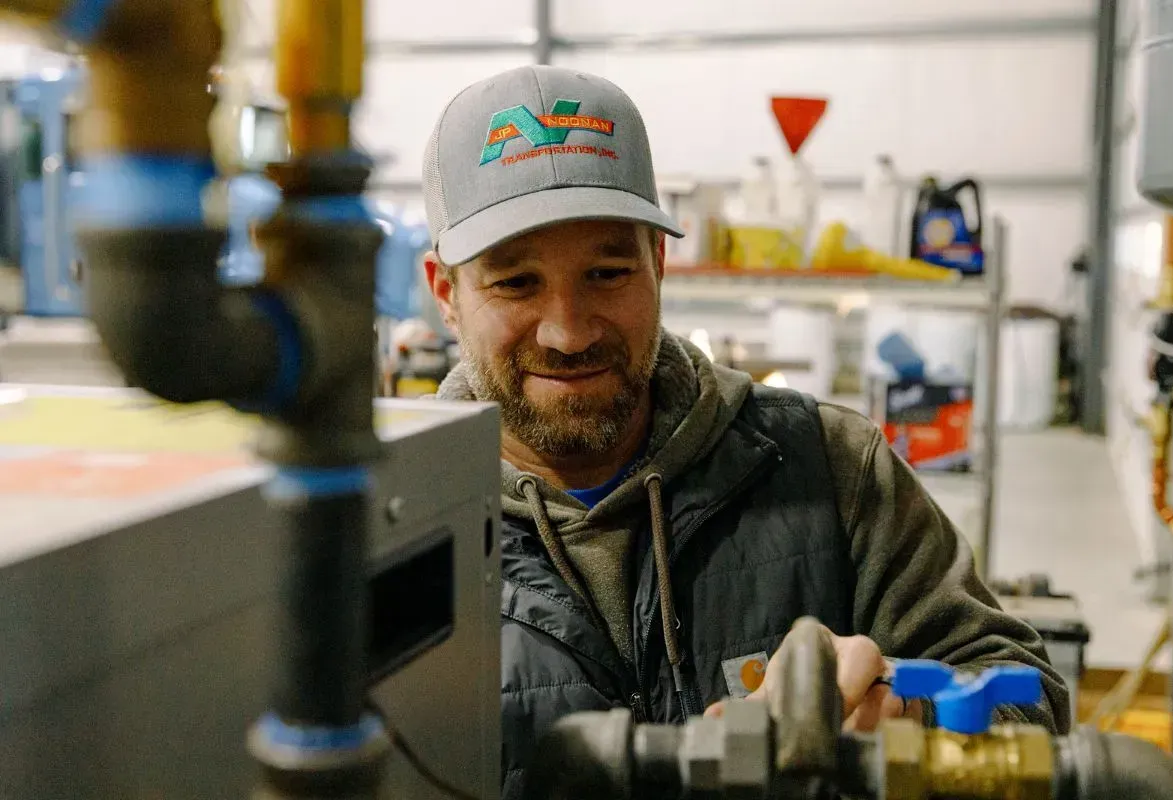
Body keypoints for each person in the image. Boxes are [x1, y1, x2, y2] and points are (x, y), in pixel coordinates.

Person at [421, 65, 1068, 799]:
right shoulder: (393, 527)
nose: (568, 332)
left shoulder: (831, 468)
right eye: (515, 283)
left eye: (606, 272)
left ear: (659, 266)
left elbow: (1030, 702)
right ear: (446, 294)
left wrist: (908, 711)